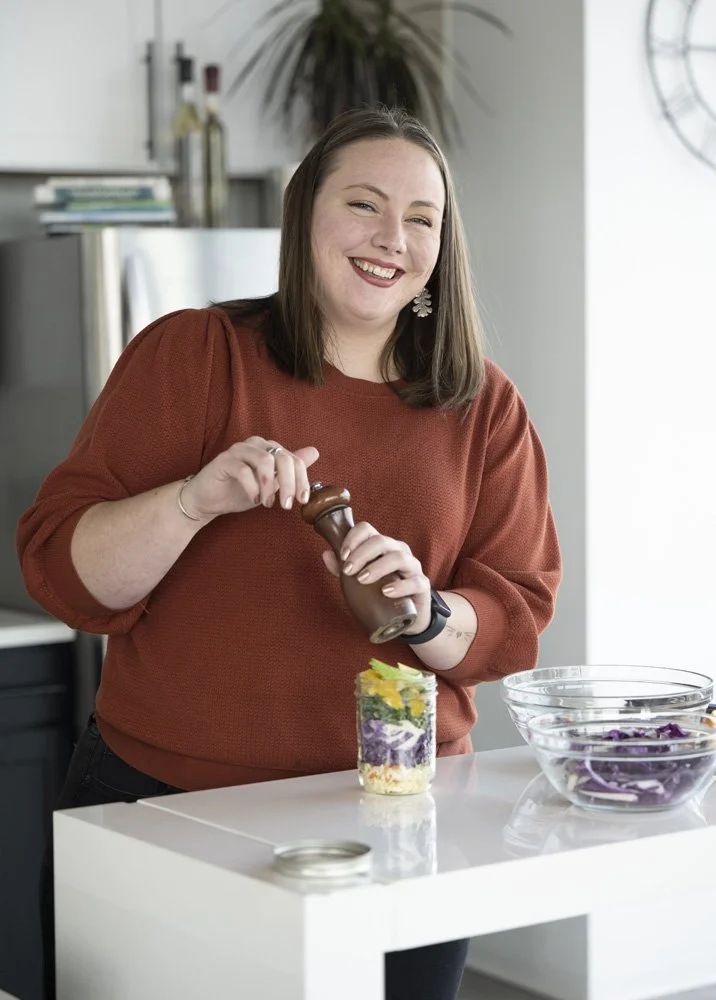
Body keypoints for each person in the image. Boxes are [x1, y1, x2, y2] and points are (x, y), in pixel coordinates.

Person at [17, 106, 561, 1000]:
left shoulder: (482, 407)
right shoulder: (194, 356)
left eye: (422, 218)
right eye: (363, 204)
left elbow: (513, 621)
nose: (393, 237)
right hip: (166, 810)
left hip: (401, 827)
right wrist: (193, 501)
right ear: (305, 215)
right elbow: (65, 577)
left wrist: (423, 610)